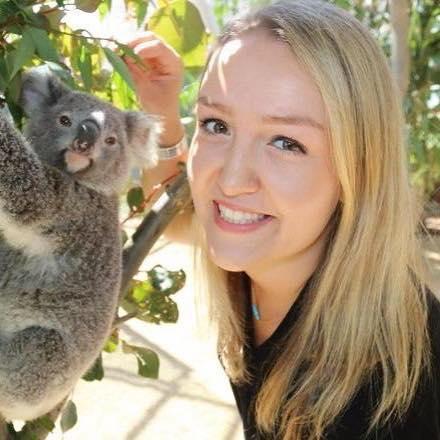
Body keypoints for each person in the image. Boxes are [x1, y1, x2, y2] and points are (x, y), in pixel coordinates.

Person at [125, 1, 440, 439]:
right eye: (216, 125)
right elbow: (176, 221)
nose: (231, 181)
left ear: (358, 168)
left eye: (286, 142)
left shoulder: (376, 402)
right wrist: (159, 106)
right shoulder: (274, 255)